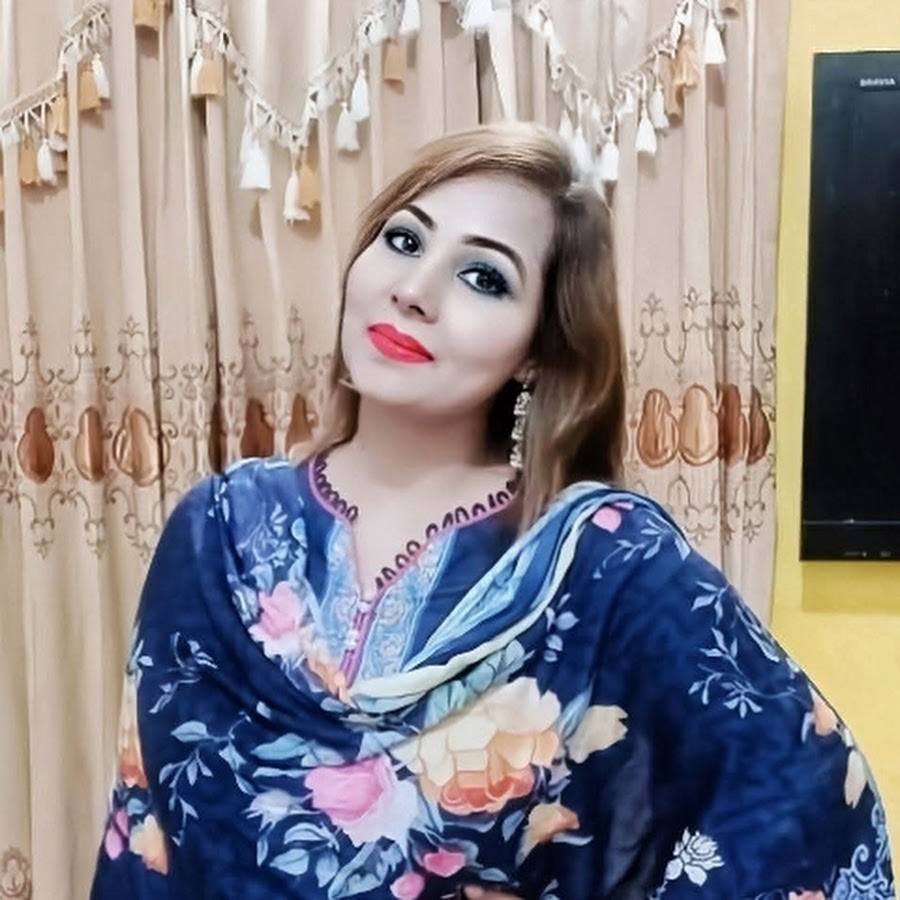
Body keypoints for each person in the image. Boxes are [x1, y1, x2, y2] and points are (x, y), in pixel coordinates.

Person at [90, 121, 894, 900]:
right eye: (404, 240)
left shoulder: (601, 564)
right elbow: (146, 838)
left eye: (484, 277)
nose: (414, 291)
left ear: (539, 349)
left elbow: (805, 804)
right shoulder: (218, 536)